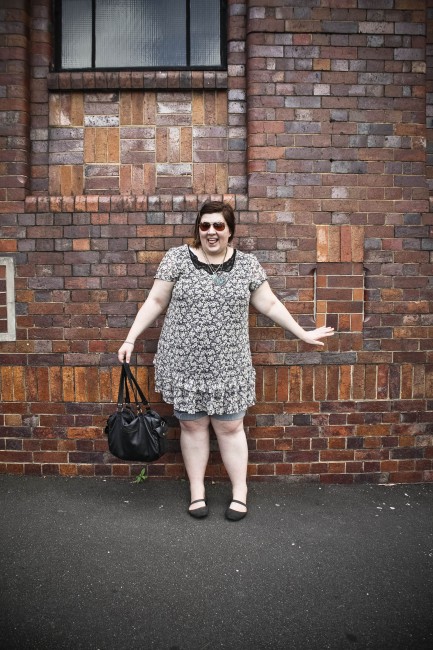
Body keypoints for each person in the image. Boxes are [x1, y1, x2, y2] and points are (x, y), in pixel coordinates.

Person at [118, 201, 334, 521]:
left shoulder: (246, 265)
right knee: (192, 425)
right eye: (205, 226)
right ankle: (197, 492)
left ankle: (240, 493)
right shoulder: (177, 259)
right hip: (184, 362)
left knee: (231, 426)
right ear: (198, 229)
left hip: (229, 365)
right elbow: (155, 300)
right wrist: (130, 338)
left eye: (218, 225)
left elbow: (270, 304)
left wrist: (300, 333)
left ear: (230, 230)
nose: (211, 232)